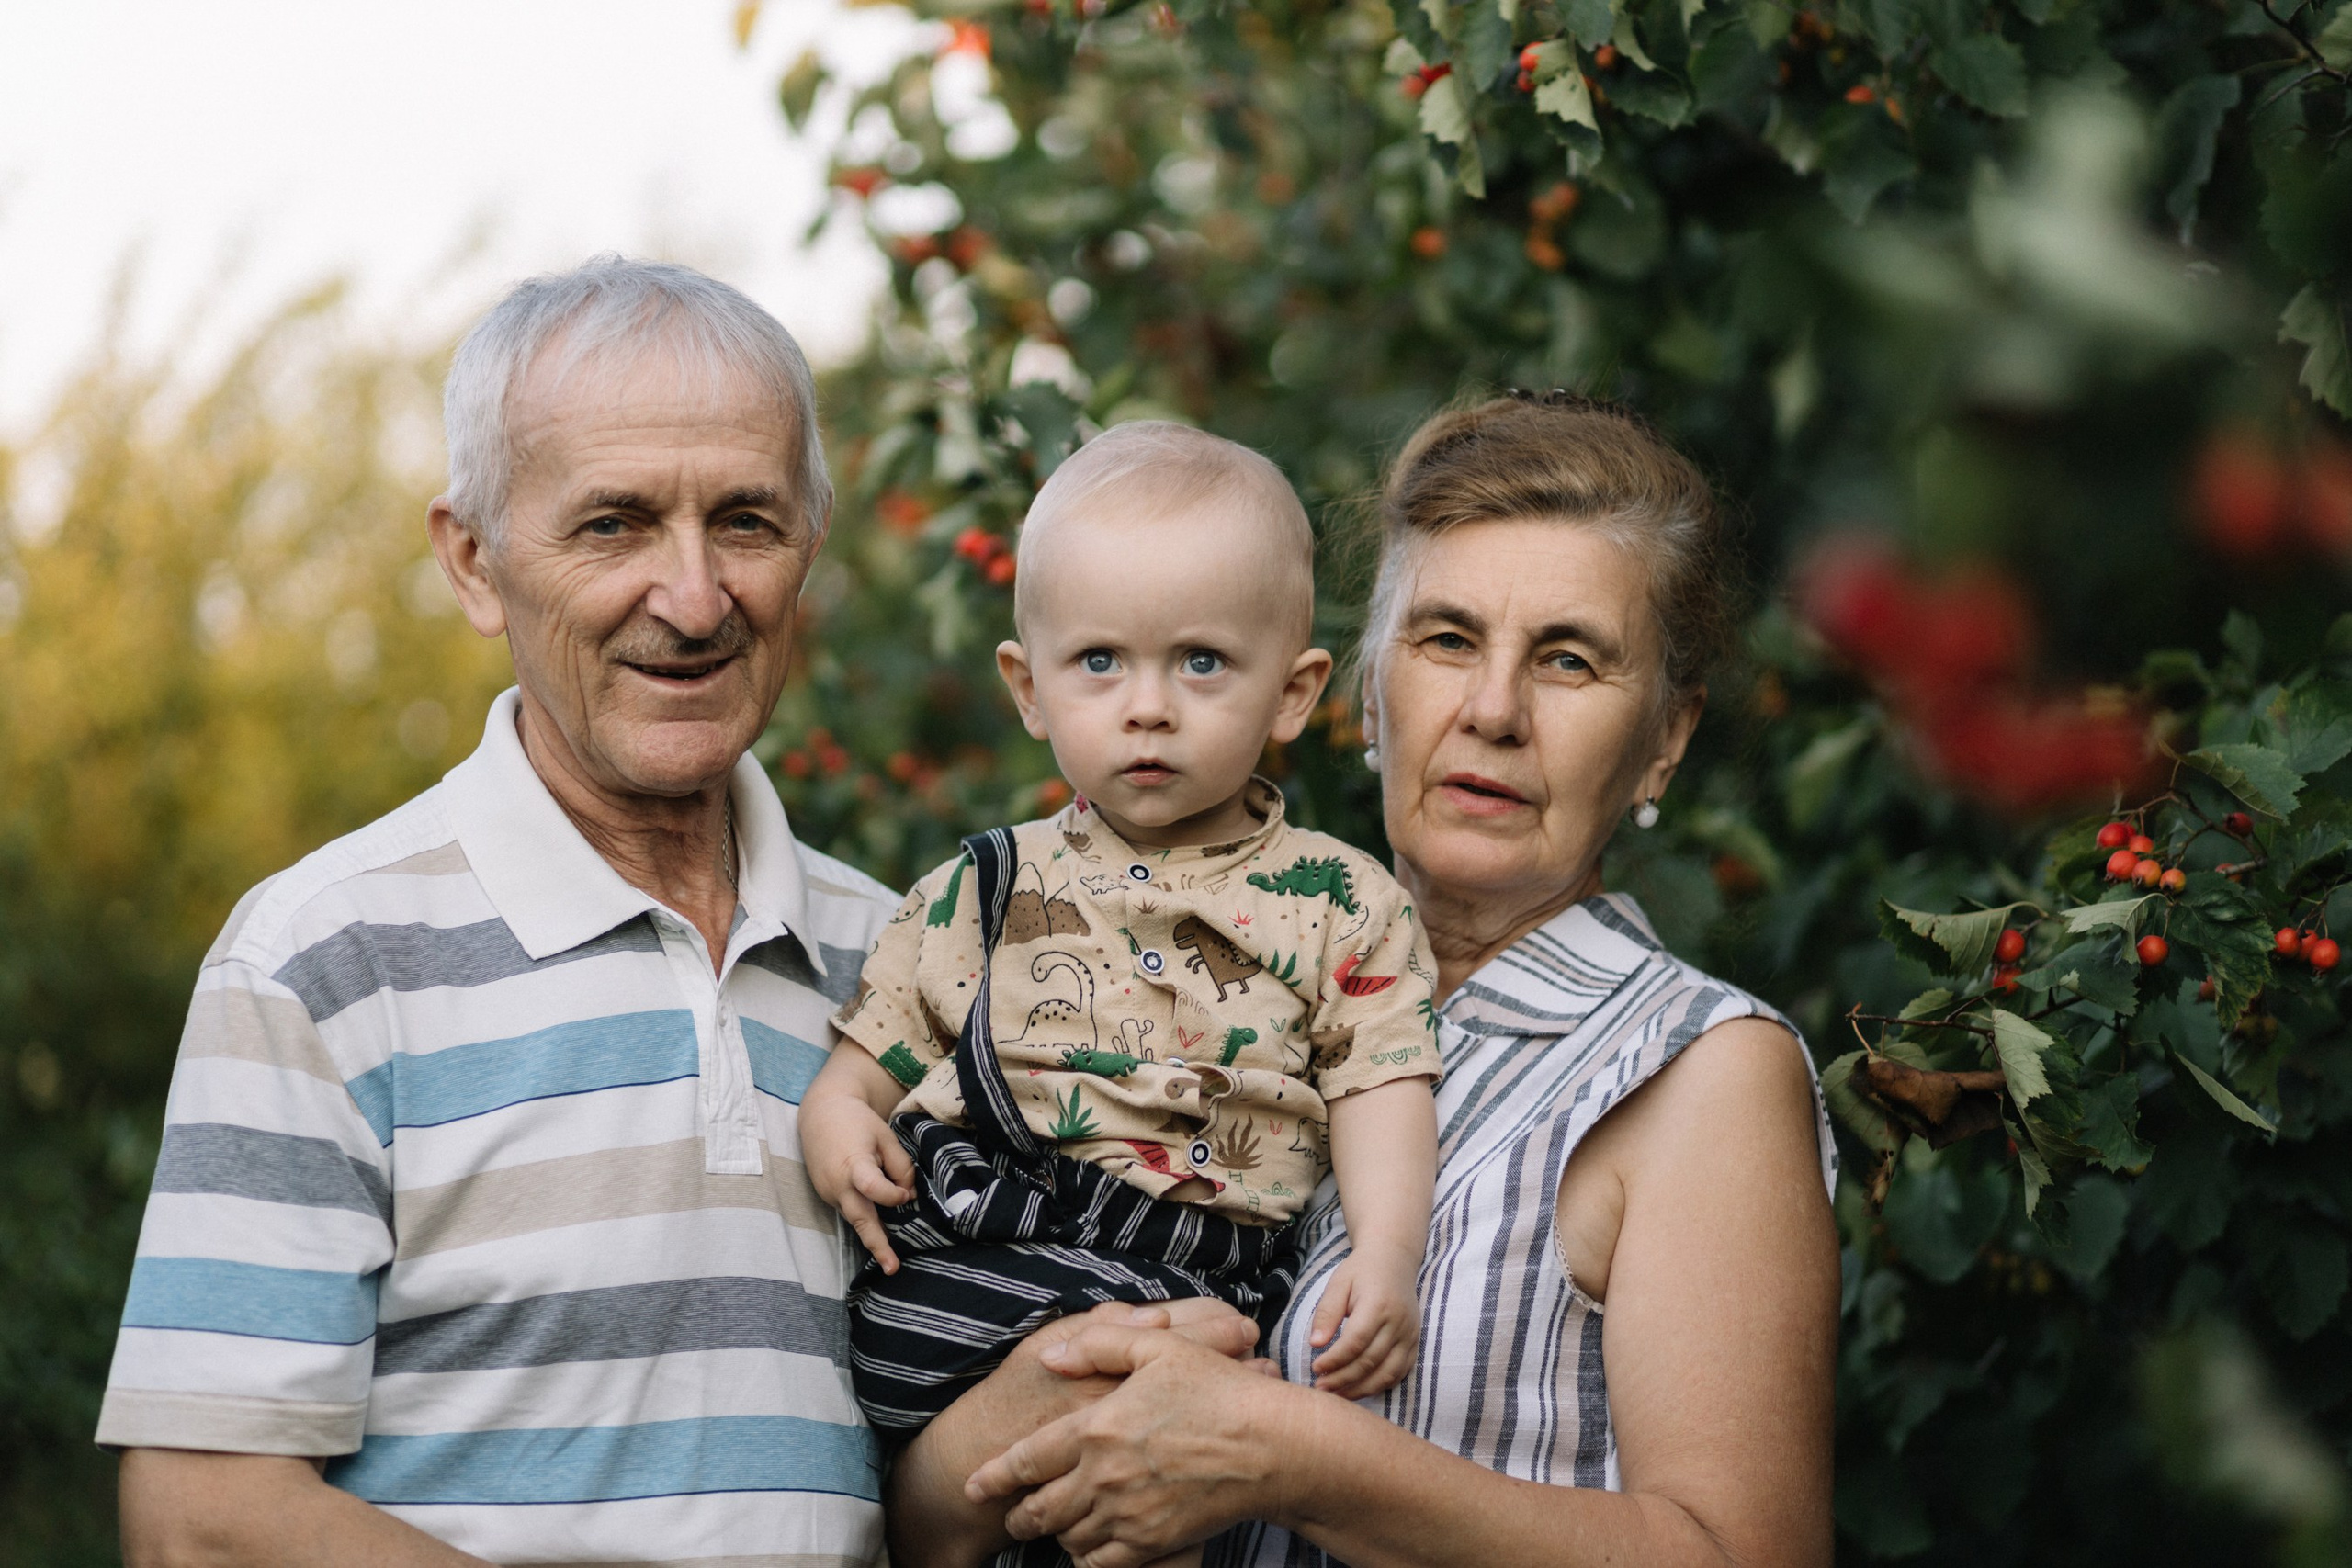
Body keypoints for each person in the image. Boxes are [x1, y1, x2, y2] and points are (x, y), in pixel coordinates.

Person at [882, 391, 1843, 1568]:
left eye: (1569, 659)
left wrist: (1300, 1458)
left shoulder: (1695, 1071)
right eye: (1446, 641)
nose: (1492, 712)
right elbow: (924, 1534)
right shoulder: (1193, 989)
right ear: (1360, 698)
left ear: (1665, 737)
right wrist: (1009, 1414)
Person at [102, 257, 900, 1566]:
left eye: (747, 521)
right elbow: (204, 1522)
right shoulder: (322, 960)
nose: (695, 599)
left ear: (810, 546)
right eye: (614, 525)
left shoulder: (903, 961)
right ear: (474, 563)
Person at [799, 423, 1443, 1475]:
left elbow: (1380, 1081)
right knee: (892, 1352)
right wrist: (836, 1114)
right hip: (990, 1243)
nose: (1147, 706)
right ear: (1027, 687)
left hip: (1199, 1274)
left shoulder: (1338, 899)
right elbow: (885, 1042)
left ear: (1292, 691)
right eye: (1098, 662)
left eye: (1201, 662)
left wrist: (1385, 1251)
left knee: (1184, 1424)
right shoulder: (988, 888)